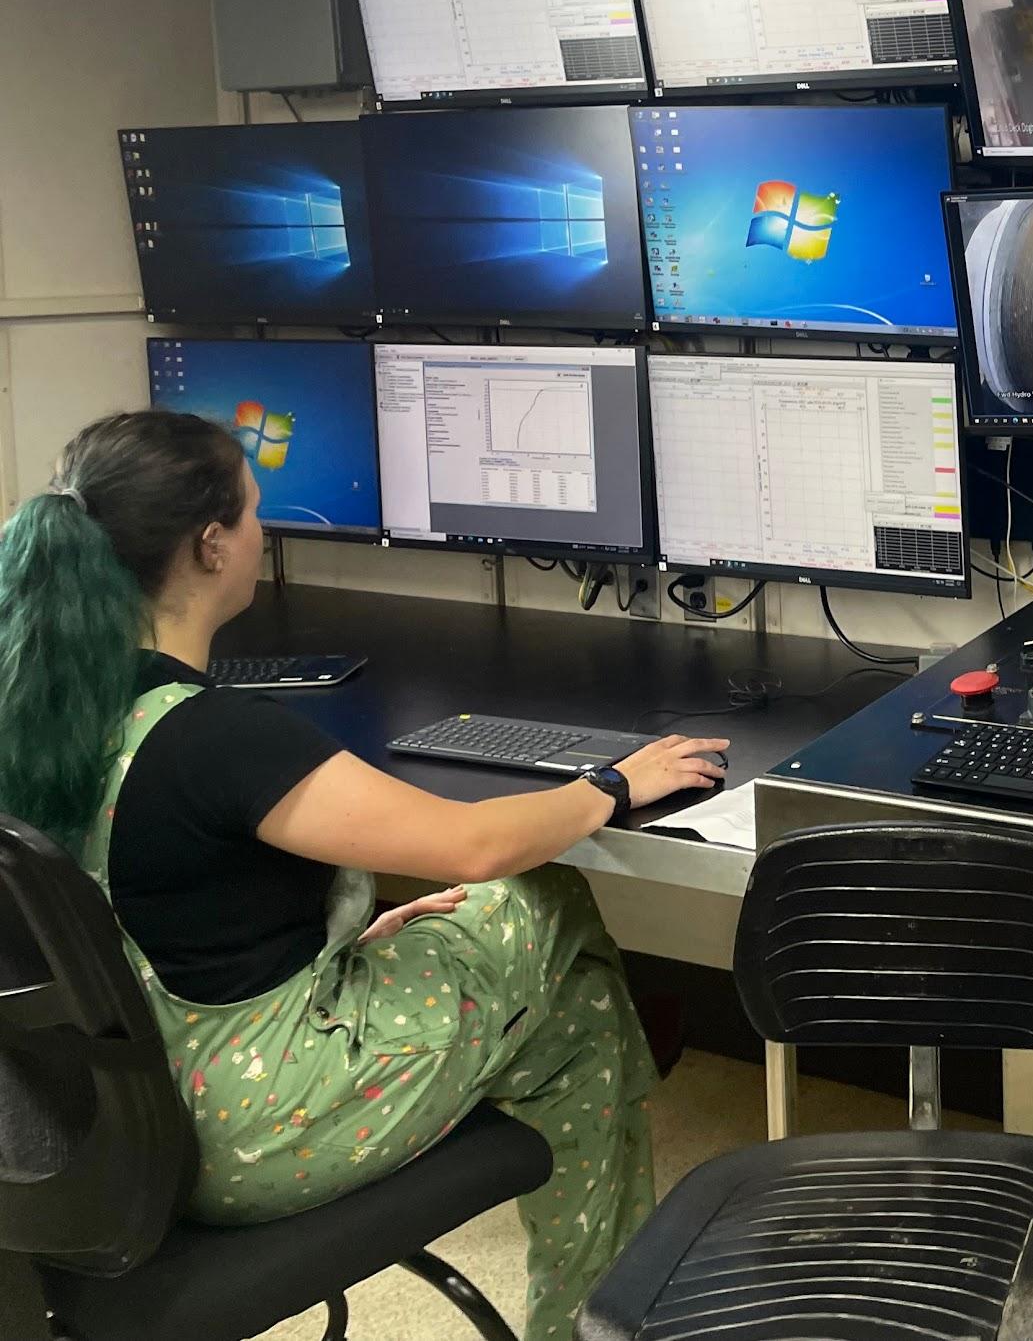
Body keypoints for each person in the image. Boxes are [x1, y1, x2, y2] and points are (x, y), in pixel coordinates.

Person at [0, 411, 729, 1341]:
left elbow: (140, 917)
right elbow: (475, 848)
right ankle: (597, 1315)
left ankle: (596, 1290)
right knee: (543, 904)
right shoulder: (212, 737)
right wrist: (614, 783)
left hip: (117, 1120)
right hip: (247, 1133)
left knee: (578, 1023)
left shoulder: (48, 708)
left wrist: (320, 951)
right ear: (212, 544)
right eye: (256, 510)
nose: (266, 530)